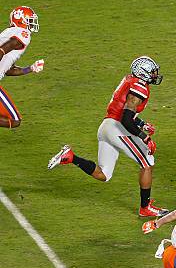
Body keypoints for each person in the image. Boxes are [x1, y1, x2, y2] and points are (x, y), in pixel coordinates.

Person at [47, 56, 168, 217]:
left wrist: (141, 123)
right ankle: (145, 208)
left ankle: (71, 157)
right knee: (147, 162)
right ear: (143, 72)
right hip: (116, 128)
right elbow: (125, 118)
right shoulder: (140, 87)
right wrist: (144, 137)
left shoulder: (129, 80)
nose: (154, 75)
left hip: (105, 127)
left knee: (104, 175)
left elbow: (121, 109)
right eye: (152, 72)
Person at [0, 6, 44, 129]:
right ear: (21, 20)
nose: (32, 23)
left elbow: (8, 70)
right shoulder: (22, 33)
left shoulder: (8, 32)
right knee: (14, 120)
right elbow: (4, 49)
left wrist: (29, 68)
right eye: (29, 20)